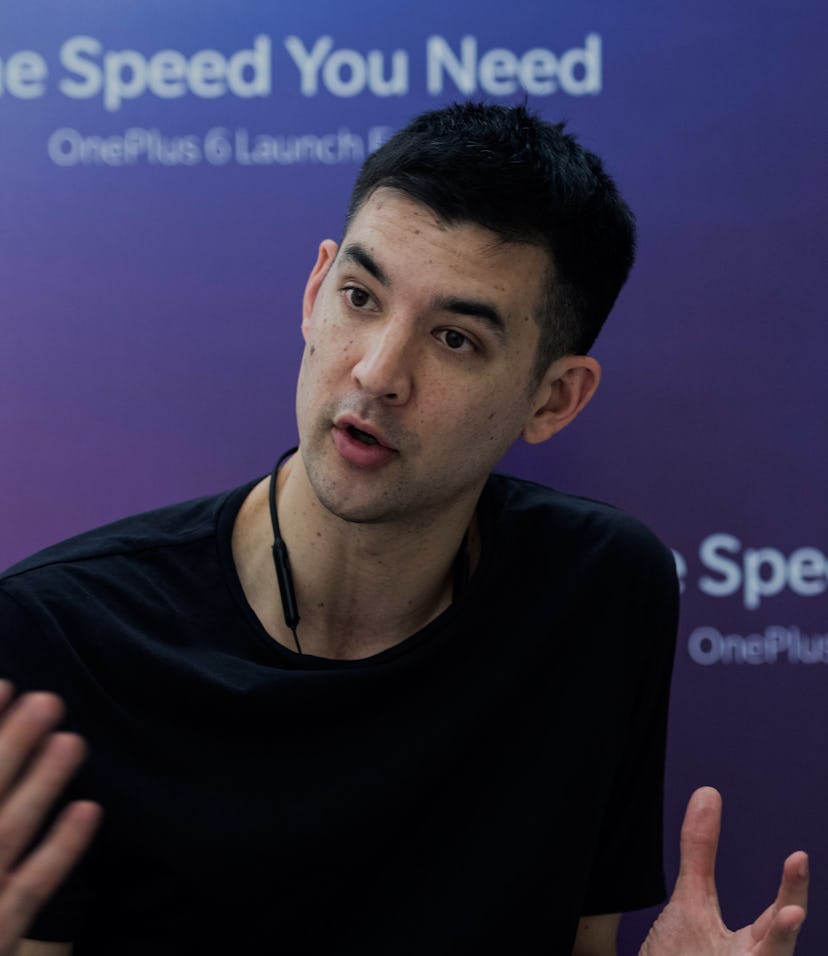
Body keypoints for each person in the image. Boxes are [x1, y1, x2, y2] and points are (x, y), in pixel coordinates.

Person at [0, 103, 807, 954]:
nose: (379, 372)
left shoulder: (600, 590)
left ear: (554, 397)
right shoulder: (58, 638)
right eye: (360, 296)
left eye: (454, 338)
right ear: (314, 294)